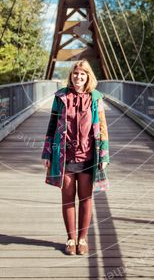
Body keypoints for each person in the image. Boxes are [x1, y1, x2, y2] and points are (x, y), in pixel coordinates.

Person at [41, 60, 110, 255]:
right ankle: (71, 239)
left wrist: (104, 155)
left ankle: (83, 239)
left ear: (88, 77)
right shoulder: (61, 97)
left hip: (89, 155)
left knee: (86, 198)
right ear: (71, 75)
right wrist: (47, 153)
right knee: (68, 197)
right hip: (64, 155)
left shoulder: (96, 98)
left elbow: (103, 128)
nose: (78, 77)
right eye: (75, 74)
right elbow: (52, 125)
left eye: (82, 74)